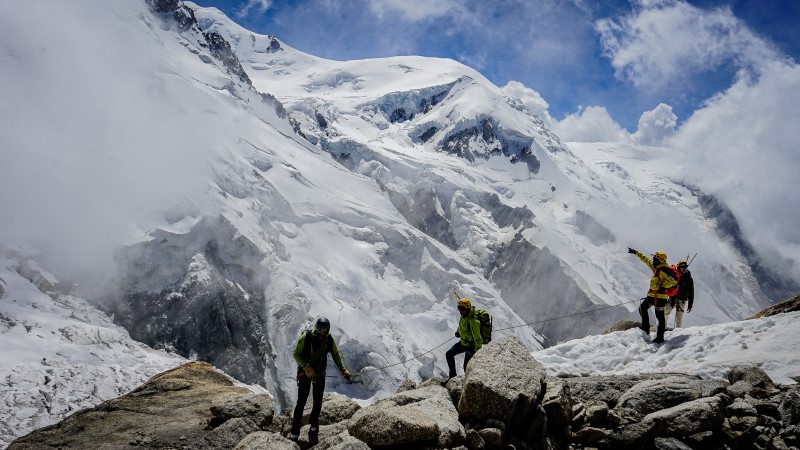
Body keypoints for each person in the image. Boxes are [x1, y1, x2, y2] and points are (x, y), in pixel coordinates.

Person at [289, 317, 351, 441]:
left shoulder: (328, 339)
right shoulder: (306, 337)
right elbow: (296, 353)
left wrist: (343, 369)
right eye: (322, 330)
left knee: (318, 400)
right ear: (317, 328)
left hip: (319, 372)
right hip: (305, 372)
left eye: (326, 330)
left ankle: (314, 426)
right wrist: (306, 367)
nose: (323, 333)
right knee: (302, 400)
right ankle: (295, 431)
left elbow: (335, 354)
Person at [628, 248, 678, 343]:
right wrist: (636, 253)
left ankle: (660, 337)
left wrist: (664, 288)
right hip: (652, 295)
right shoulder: (656, 268)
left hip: (660, 298)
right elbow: (646, 260)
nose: (653, 260)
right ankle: (646, 329)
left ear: (660, 260)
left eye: (655, 258)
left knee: (659, 317)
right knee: (642, 308)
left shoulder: (664, 270)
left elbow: (674, 281)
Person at [445, 297, 484, 378]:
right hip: (463, 343)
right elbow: (461, 326)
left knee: (466, 367)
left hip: (471, 347)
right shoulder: (463, 316)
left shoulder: (473, 321)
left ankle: (470, 384)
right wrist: (458, 332)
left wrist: (477, 352)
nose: (460, 311)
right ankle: (452, 377)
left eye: (462, 309)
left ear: (468, 308)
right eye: (459, 308)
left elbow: (478, 339)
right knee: (449, 354)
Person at [665, 260, 694, 328]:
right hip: (672, 298)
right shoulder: (674, 276)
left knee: (679, 319)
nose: (684, 268)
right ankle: (663, 328)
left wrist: (690, 305)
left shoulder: (689, 278)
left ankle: (677, 333)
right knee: (664, 313)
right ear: (678, 267)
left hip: (682, 300)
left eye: (685, 267)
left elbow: (691, 292)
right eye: (682, 267)